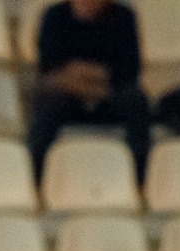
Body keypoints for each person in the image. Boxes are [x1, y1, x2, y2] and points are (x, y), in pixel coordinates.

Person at [27, 0, 150, 182]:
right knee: (48, 105)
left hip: (109, 94)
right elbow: (49, 66)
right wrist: (80, 78)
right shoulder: (55, 16)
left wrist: (86, 76)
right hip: (67, 95)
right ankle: (37, 178)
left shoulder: (123, 16)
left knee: (135, 101)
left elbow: (129, 69)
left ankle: (140, 179)